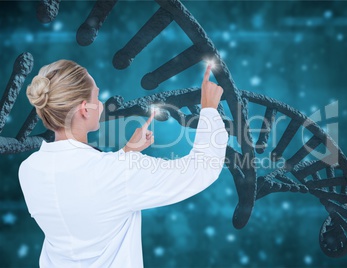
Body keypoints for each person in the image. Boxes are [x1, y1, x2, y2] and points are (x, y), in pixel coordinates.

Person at [18, 59, 228, 267]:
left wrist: (126, 153)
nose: (101, 104)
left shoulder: (29, 170)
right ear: (84, 109)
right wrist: (209, 109)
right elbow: (202, 168)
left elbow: (84, 193)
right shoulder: (118, 173)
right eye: (96, 97)